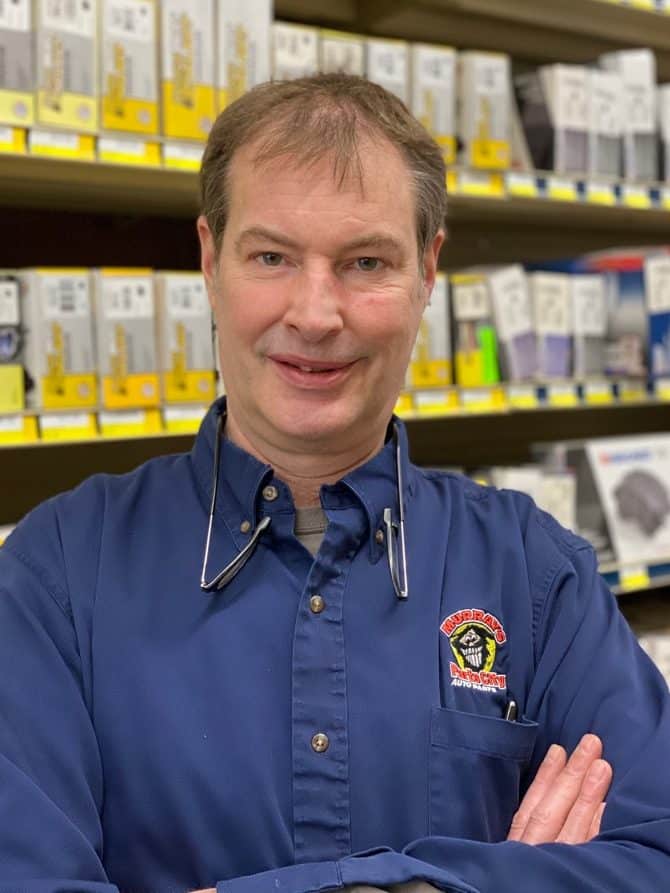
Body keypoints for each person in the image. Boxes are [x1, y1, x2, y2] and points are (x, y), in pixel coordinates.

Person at [0, 73, 668, 893]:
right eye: (273, 256)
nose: (316, 314)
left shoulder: (536, 574)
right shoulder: (57, 573)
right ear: (211, 263)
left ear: (427, 272)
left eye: (365, 262)